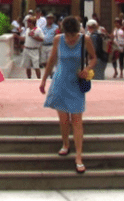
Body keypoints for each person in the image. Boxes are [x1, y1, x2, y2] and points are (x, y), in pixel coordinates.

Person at [39, 16, 97, 174]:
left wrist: (88, 69)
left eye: (73, 34)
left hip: (76, 82)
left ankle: (79, 156)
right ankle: (65, 143)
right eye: (69, 34)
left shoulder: (85, 39)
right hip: (60, 81)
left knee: (77, 120)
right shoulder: (58, 39)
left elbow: (94, 58)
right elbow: (51, 60)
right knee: (64, 120)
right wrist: (43, 81)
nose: (71, 38)